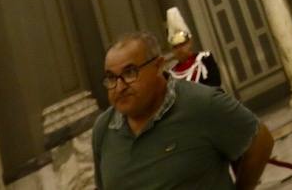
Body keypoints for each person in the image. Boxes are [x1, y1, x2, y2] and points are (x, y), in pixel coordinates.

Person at [93, 31, 274, 189]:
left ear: (158, 66)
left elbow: (261, 140)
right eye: (111, 78)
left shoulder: (201, 104)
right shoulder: (103, 129)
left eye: (129, 73)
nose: (119, 87)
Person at [165, 7, 222, 88]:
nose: (180, 50)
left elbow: (215, 83)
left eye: (183, 44)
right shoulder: (172, 74)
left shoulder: (204, 59)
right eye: (175, 47)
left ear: (190, 42)